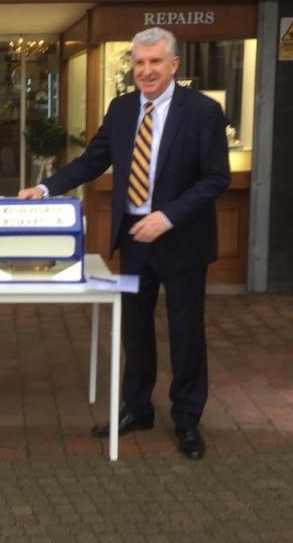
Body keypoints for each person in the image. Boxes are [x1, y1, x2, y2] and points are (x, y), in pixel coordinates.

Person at [18, 27, 230, 460]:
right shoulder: (121, 108)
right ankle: (138, 408)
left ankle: (187, 419)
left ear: (174, 65)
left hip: (182, 241)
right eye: (139, 63)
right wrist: (44, 189)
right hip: (134, 239)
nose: (146, 71)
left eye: (155, 62)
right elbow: (93, 160)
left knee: (185, 332)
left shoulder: (203, 112)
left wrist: (167, 217)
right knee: (135, 328)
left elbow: (215, 179)